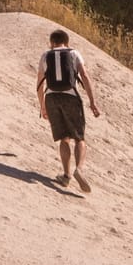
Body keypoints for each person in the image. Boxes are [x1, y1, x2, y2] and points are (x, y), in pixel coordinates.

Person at [35, 28, 100, 192]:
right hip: (71, 97)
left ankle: (66, 176)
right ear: (66, 42)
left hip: (51, 98)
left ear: (52, 43)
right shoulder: (74, 53)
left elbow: (39, 83)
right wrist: (92, 102)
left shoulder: (46, 55)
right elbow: (84, 75)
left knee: (64, 138)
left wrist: (43, 106)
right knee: (79, 137)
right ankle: (79, 169)